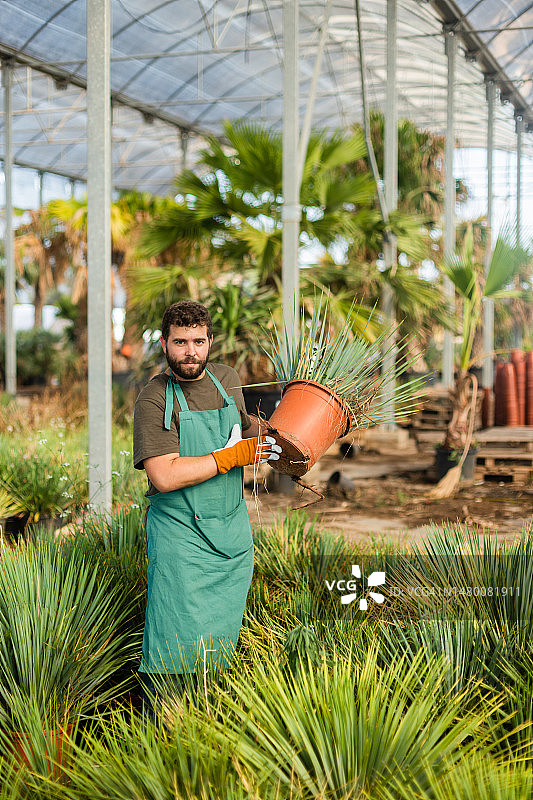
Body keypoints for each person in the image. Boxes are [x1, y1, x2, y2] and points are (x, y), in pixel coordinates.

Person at [133, 300, 280, 693]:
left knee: (217, 645)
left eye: (198, 341)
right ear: (164, 345)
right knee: (172, 641)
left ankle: (205, 725)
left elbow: (249, 430)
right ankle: (165, 727)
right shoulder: (154, 398)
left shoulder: (227, 380)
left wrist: (292, 433)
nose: (190, 351)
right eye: (180, 342)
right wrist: (230, 457)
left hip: (230, 533)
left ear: (210, 342)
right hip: (181, 536)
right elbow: (164, 475)